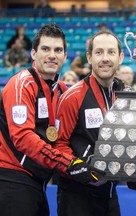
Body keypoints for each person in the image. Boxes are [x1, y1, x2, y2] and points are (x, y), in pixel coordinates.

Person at [0, 24, 105, 216]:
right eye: (45, 49)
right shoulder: (21, 84)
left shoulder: (63, 90)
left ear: (65, 56)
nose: (52, 55)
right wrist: (69, 163)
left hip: (39, 182)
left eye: (58, 50)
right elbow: (23, 138)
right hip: (11, 179)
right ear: (33, 53)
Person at [54, 30, 125, 216]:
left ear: (121, 57)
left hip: (110, 194)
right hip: (77, 197)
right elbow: (58, 144)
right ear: (89, 57)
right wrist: (79, 168)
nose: (105, 58)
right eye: (99, 52)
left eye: (111, 52)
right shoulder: (73, 97)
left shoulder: (124, 98)